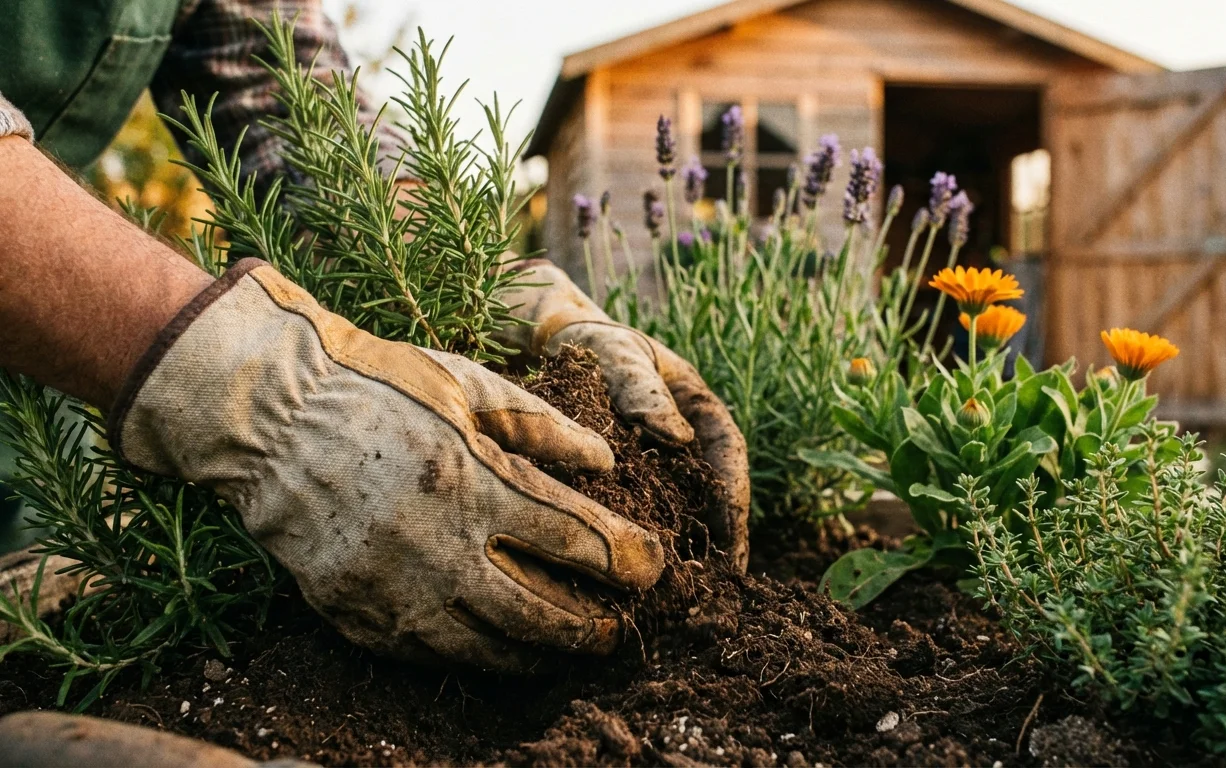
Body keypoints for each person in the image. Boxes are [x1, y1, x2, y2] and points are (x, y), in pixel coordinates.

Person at [0, 0, 748, 683]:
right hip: (83, 317)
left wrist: (489, 284)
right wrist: (268, 399)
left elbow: (277, 89)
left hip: (48, 371)